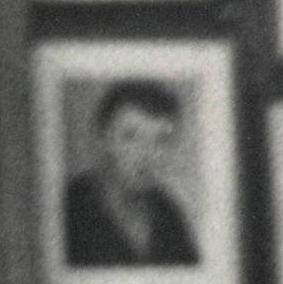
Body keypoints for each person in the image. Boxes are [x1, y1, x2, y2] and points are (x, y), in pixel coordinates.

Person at [62, 79, 199, 270]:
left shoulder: (168, 211)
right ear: (103, 139)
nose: (146, 154)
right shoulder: (69, 207)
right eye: (131, 136)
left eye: (160, 139)